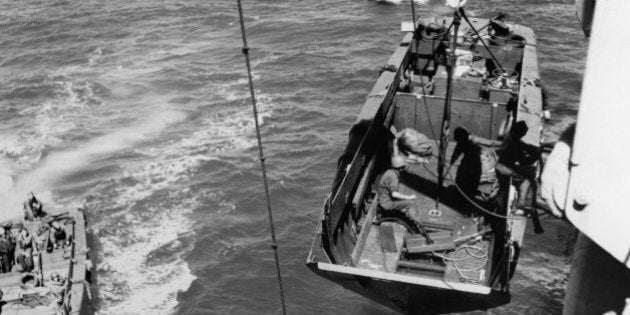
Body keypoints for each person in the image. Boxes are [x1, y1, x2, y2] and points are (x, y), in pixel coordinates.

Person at [377, 155, 431, 241]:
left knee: (407, 201)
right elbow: (394, 194)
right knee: (410, 204)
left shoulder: (390, 172)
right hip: (387, 204)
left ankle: (414, 220)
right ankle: (420, 226)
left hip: (384, 199)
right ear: (400, 168)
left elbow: (406, 160)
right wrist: (409, 197)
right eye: (403, 167)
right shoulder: (393, 177)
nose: (404, 169)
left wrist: (422, 160)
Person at [494, 120, 540, 209]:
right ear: (522, 133)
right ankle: (521, 204)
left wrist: (532, 148)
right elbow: (525, 161)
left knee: (503, 189)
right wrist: (536, 155)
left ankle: (497, 203)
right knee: (526, 180)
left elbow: (524, 145)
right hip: (505, 169)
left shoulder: (510, 137)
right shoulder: (516, 145)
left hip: (499, 166)